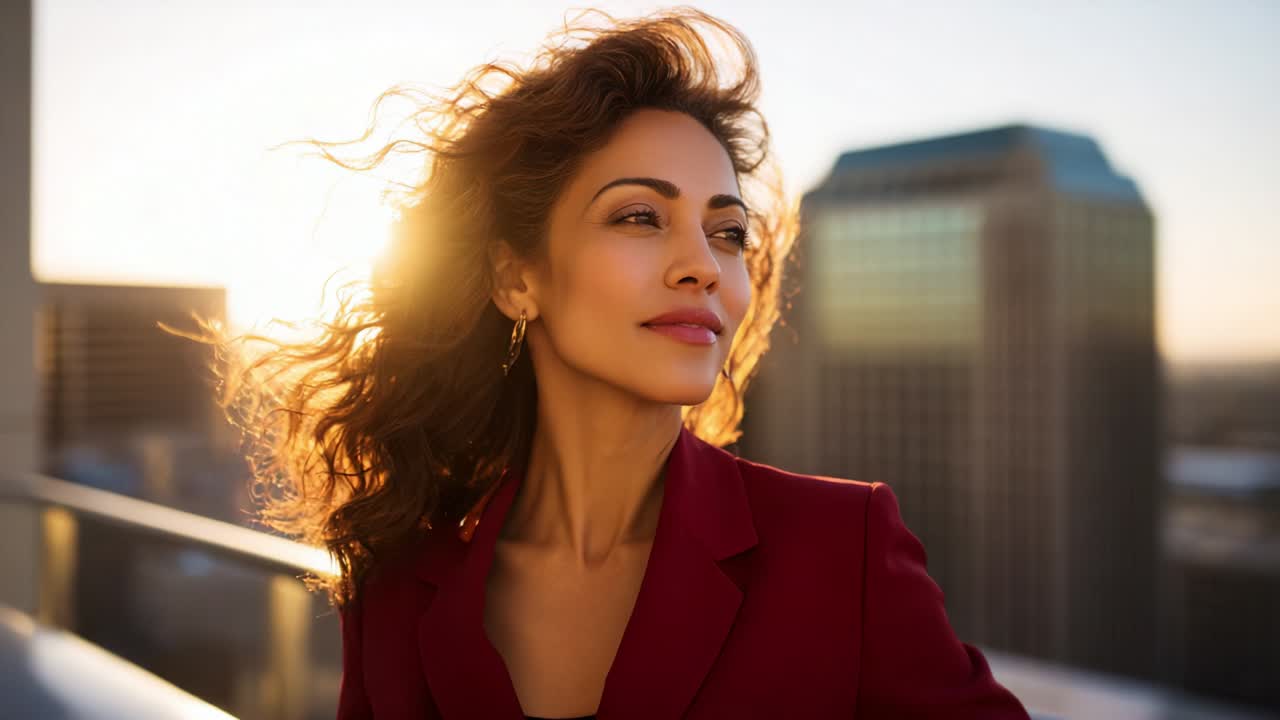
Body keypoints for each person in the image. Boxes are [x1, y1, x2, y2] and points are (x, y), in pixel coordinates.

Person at [196, 6, 1032, 719]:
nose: (703, 265)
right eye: (639, 216)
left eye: (728, 231)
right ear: (515, 279)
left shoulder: (843, 550)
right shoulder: (396, 585)